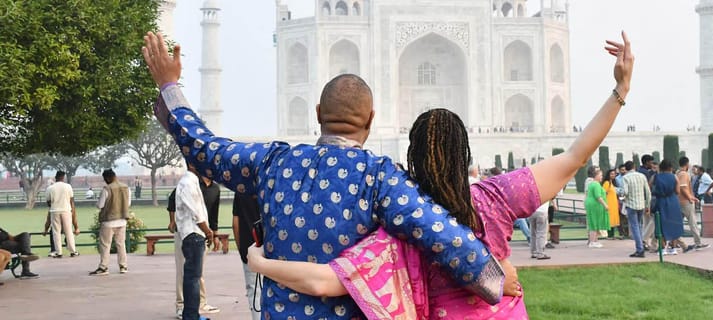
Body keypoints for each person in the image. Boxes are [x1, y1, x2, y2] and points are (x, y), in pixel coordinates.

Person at [245, 31, 635, 319]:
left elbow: (325, 282)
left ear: (410, 159)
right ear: (465, 153)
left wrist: (260, 263)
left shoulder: (405, 224)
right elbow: (574, 155)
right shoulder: (495, 198)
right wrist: (620, 89)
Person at [143, 32, 504, 319]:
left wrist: (169, 84)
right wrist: (494, 280)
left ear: (318, 113)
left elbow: (204, 149)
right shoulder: (379, 178)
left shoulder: (273, 163)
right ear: (371, 119)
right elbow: (446, 236)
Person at [168, 176, 222, 318]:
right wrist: (172, 220)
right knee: (184, 271)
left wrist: (214, 235)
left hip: (203, 233)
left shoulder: (215, 188)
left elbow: (213, 214)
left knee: (197, 273)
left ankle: (200, 303)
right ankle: (181, 305)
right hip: (187, 232)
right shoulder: (190, 184)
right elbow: (173, 201)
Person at [90, 169, 131, 276]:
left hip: (108, 221)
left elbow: (100, 205)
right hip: (122, 220)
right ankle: (123, 266)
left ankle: (104, 267)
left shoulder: (107, 189)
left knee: (105, 245)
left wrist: (96, 204)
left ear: (108, 178)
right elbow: (128, 203)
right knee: (121, 244)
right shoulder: (126, 188)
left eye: (105, 179)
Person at [231, 193, 262, 320]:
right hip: (271, 247)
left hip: (249, 246)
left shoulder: (240, 191)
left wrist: (241, 248)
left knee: (254, 291)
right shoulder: (272, 185)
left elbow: (235, 224)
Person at [653, 160, 690, 255]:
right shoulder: (674, 177)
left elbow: (651, 188)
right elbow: (677, 191)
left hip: (660, 201)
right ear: (670, 168)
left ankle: (662, 248)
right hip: (673, 201)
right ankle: (673, 248)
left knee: (661, 224)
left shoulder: (656, 177)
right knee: (673, 223)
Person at [677, 157, 708, 250]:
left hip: (680, 201)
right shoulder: (684, 174)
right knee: (693, 222)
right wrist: (690, 197)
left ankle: (674, 243)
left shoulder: (678, 173)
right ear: (687, 164)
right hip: (685, 202)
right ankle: (698, 242)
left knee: (678, 223)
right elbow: (683, 187)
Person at [45, 170, 79, 258]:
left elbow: (48, 202)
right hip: (66, 210)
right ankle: (73, 251)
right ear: (63, 178)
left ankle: (58, 252)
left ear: (56, 177)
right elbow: (71, 200)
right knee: (68, 231)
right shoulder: (68, 186)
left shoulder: (50, 188)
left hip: (54, 211)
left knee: (56, 232)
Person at [622, 161, 651, 257]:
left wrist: (620, 194)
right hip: (641, 204)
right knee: (639, 226)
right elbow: (647, 192)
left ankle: (640, 249)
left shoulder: (625, 177)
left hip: (631, 205)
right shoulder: (642, 176)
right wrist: (647, 205)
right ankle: (641, 246)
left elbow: (625, 192)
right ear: (634, 167)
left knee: (635, 227)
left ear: (625, 169)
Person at [585, 166, 610, 248]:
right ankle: (592, 241)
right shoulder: (595, 184)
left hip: (593, 204)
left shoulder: (593, 184)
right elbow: (598, 196)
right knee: (594, 223)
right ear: (596, 176)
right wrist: (605, 205)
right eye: (601, 175)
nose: (602, 177)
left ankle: (594, 240)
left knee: (594, 223)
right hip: (594, 205)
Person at [602, 169, 622, 240]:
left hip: (614, 205)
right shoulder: (607, 183)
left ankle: (612, 235)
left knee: (613, 220)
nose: (613, 175)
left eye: (614, 174)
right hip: (609, 204)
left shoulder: (612, 183)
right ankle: (609, 235)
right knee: (610, 220)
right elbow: (603, 193)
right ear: (608, 175)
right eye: (611, 174)